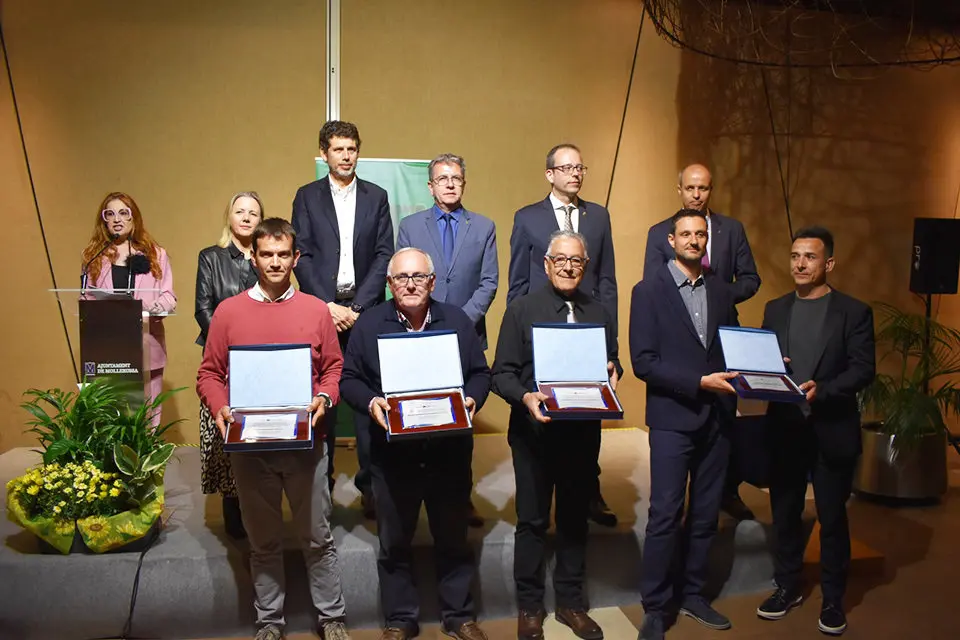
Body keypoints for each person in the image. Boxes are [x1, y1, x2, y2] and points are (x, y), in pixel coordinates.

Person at [197, 218, 351, 640]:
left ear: (295, 257)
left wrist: (325, 398)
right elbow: (209, 374)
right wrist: (220, 405)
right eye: (267, 254)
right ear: (253, 256)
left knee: (317, 537)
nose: (276, 262)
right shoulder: (228, 313)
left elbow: (334, 368)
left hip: (306, 445)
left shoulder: (316, 310)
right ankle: (269, 621)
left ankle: (332, 618)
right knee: (262, 541)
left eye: (284, 254)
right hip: (251, 448)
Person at [340, 247, 492, 640]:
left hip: (448, 454)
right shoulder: (370, 324)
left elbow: (480, 374)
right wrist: (372, 401)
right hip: (393, 457)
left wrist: (473, 398)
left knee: (454, 538)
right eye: (401, 278)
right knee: (394, 543)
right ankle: (400, 619)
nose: (409, 284)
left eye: (418, 277)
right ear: (389, 285)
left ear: (432, 281)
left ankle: (459, 615)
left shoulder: (456, 320)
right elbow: (349, 380)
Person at [494, 230, 621, 640]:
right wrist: (525, 397)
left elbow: (611, 361)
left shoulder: (600, 312)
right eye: (560, 260)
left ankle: (570, 604)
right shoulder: (521, 309)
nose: (568, 267)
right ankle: (530, 607)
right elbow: (502, 374)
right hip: (534, 433)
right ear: (547, 264)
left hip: (582, 434)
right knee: (531, 520)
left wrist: (613, 372)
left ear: (585, 267)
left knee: (572, 519)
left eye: (577, 261)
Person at [755, 226, 875, 637]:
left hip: (830, 429)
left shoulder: (853, 311)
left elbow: (863, 368)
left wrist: (824, 390)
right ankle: (787, 586)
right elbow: (764, 362)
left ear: (829, 264)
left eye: (809, 257)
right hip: (786, 428)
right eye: (795, 256)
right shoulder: (775, 309)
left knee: (831, 517)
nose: (800, 264)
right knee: (785, 514)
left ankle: (833, 599)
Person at [630, 208, 739, 640]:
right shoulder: (648, 291)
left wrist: (762, 366)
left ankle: (693, 594)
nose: (694, 240)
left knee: (707, 513)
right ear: (671, 241)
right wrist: (697, 381)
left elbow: (731, 344)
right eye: (686, 234)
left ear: (706, 241)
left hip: (718, 419)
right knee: (665, 513)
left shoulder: (722, 290)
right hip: (673, 418)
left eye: (701, 234)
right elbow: (643, 362)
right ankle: (656, 607)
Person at [507, 143, 619, 528]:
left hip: (587, 329)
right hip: (540, 333)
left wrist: (611, 346)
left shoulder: (599, 217)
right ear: (549, 174)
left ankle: (591, 490)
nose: (575, 173)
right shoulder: (527, 218)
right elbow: (517, 284)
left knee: (586, 425)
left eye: (580, 167)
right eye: (566, 167)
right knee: (541, 429)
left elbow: (607, 283)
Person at [643, 163, 761, 521]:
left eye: (704, 189)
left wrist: (717, 294)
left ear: (711, 190)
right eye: (691, 188)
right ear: (679, 189)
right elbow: (652, 285)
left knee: (724, 421)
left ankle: (727, 490)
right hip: (678, 338)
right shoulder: (661, 231)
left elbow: (751, 279)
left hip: (721, 334)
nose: (697, 194)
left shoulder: (731, 229)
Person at [292, 119, 393, 516]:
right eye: (338, 149)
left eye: (351, 149)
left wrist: (357, 308)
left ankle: (371, 487)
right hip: (323, 312)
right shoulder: (306, 196)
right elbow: (303, 254)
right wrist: (327, 306)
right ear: (324, 154)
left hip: (363, 311)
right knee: (324, 404)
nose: (346, 156)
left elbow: (385, 253)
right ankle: (325, 486)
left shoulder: (377, 196)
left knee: (368, 401)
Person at [396, 153, 498, 528]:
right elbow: (406, 278)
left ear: (464, 183)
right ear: (430, 186)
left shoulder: (484, 227)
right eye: (443, 178)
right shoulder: (410, 226)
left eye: (456, 177)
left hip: (466, 335)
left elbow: (489, 281)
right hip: (420, 334)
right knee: (419, 415)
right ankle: (410, 497)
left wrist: (459, 322)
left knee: (460, 424)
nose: (450, 183)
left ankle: (459, 498)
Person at [194, 191, 263, 539]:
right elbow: (202, 309)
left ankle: (259, 518)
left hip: (259, 366)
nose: (247, 217)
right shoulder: (211, 257)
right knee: (226, 444)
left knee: (255, 441)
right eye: (240, 211)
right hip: (221, 363)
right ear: (230, 217)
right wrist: (229, 347)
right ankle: (234, 525)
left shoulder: (267, 258)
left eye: (253, 212)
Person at [81, 191, 176, 424]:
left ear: (134, 218)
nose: (117, 219)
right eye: (110, 214)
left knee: (147, 411)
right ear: (103, 220)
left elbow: (169, 296)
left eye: (124, 212)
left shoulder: (155, 254)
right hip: (109, 346)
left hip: (145, 339)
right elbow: (86, 299)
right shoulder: (94, 256)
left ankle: (147, 457)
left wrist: (157, 306)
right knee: (113, 413)